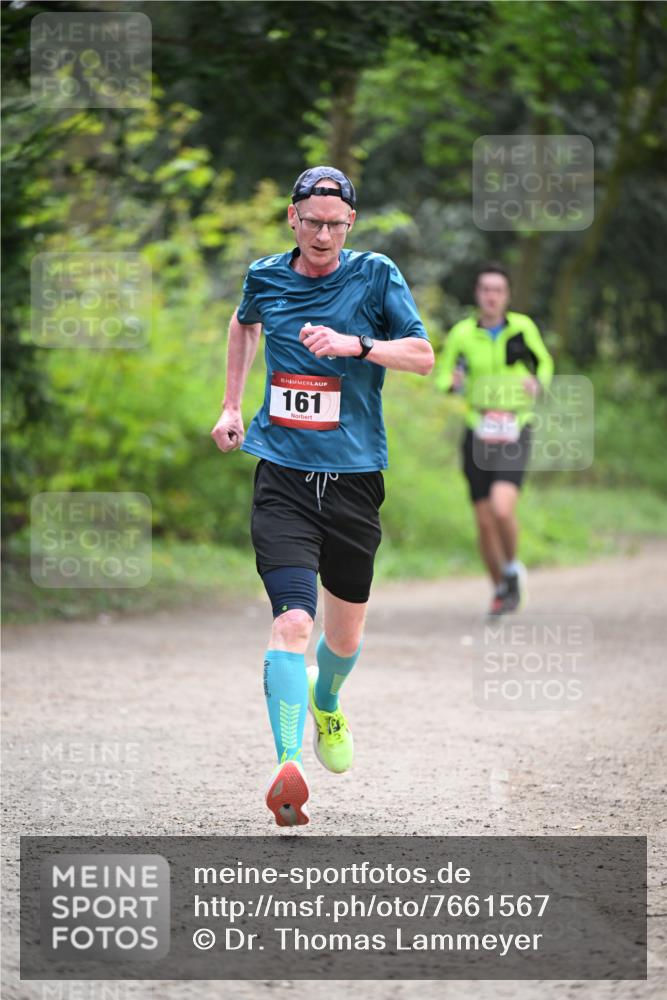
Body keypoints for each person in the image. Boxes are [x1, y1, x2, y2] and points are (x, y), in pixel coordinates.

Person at [210, 166, 434, 827]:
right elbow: (243, 323)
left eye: (336, 224)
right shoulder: (266, 276)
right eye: (312, 222)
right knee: (292, 624)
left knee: (341, 637)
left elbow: (421, 355)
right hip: (281, 472)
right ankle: (286, 768)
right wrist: (231, 405)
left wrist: (355, 345)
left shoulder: (375, 276)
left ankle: (326, 702)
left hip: (354, 479)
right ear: (291, 218)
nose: (324, 234)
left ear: (350, 225)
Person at [436, 263, 554, 615]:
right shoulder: (461, 334)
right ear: (477, 294)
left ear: (507, 295)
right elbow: (443, 376)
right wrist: (452, 383)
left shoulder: (522, 328)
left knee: (502, 507)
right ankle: (501, 589)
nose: (491, 296)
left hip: (515, 426)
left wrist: (538, 383)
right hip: (478, 427)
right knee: (484, 519)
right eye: (485, 289)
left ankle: (513, 567)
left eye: (498, 290)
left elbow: (544, 363)